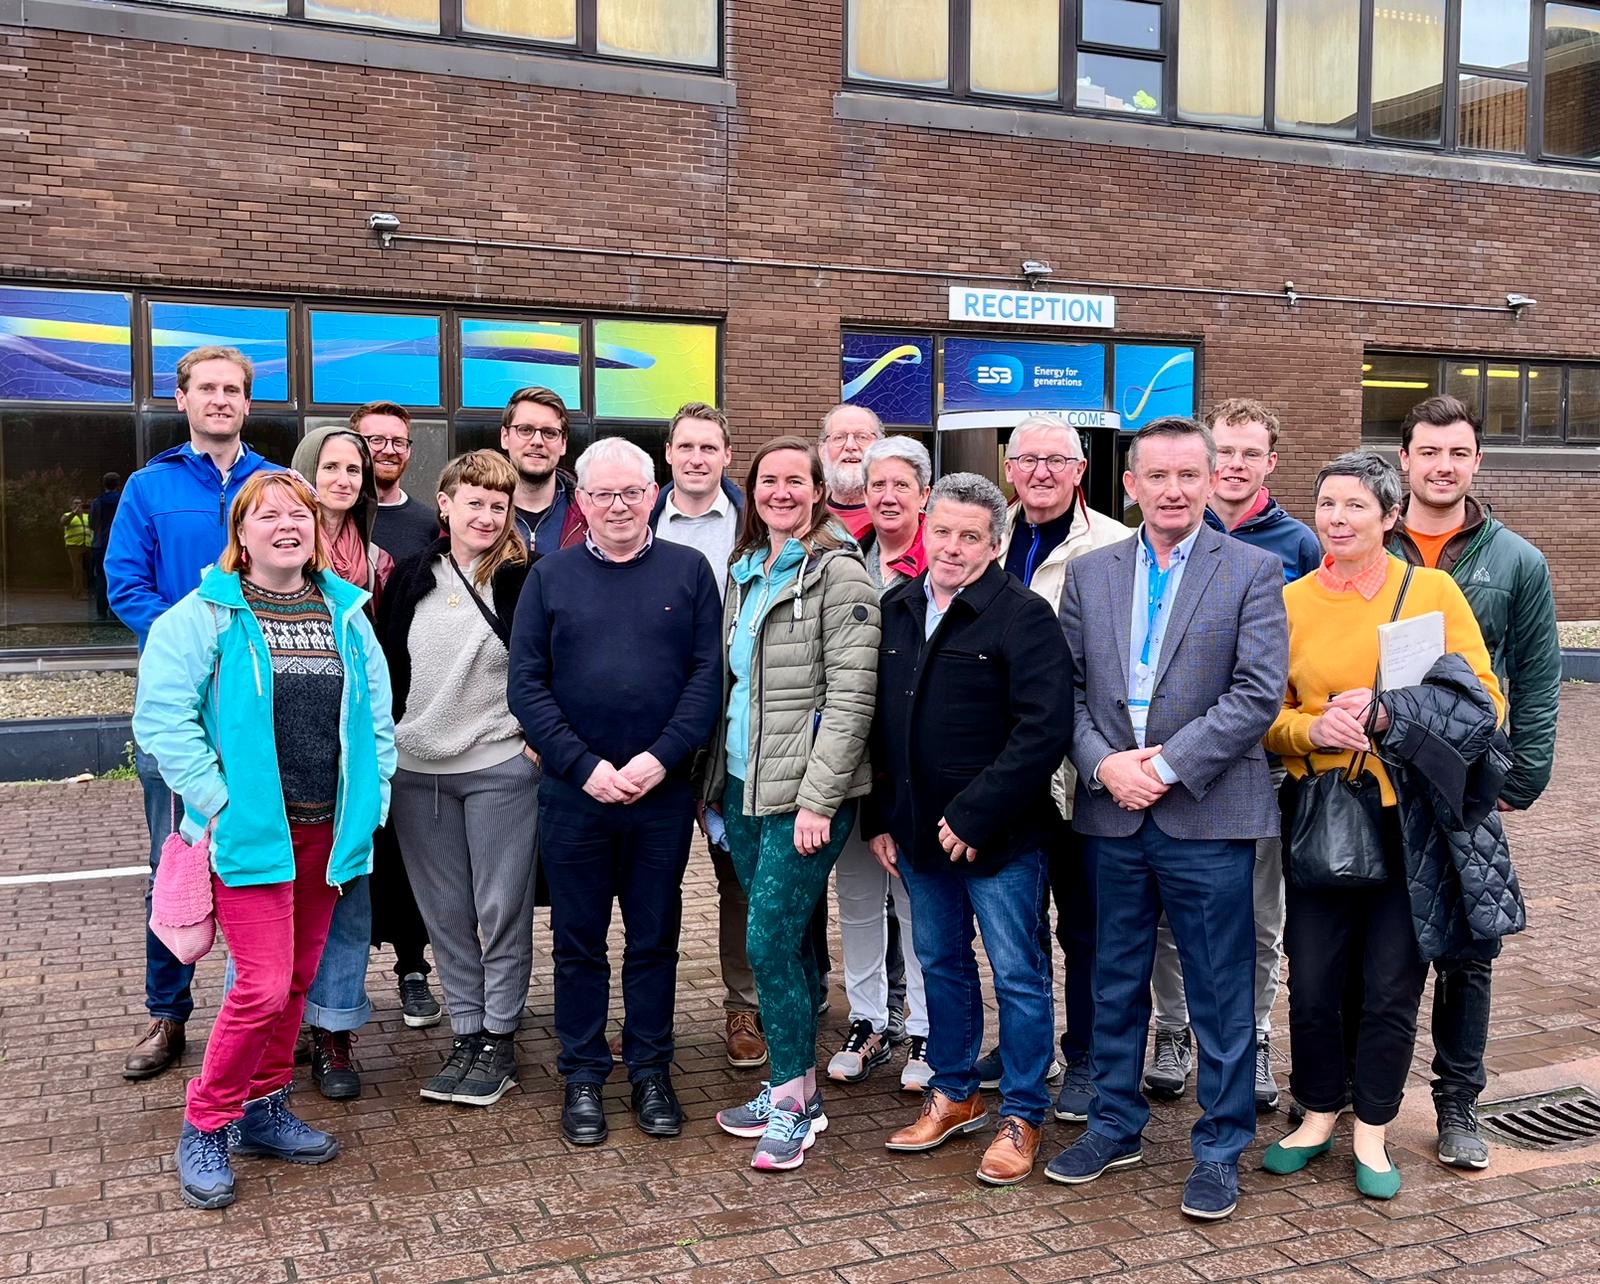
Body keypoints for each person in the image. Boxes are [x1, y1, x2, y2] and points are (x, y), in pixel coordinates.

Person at [132, 470, 395, 1210]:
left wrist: (370, 799)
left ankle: (264, 1107)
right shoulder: (203, 615)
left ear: (316, 533)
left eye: (300, 515)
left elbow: (376, 715)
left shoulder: (346, 613)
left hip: (325, 835)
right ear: (240, 536)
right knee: (261, 985)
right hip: (251, 837)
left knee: (299, 983)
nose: (288, 524)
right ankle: (207, 1121)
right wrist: (220, 802)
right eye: (268, 514)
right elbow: (161, 720)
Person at [1050, 417, 1287, 1223]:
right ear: (1131, 484)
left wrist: (1166, 764)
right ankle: (1115, 1124)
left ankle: (1219, 1147)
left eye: (1190, 474)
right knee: (1113, 982)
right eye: (1159, 476)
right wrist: (1103, 764)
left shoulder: (1252, 569)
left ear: (1214, 477)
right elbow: (1068, 692)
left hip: (1207, 811)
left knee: (1221, 992)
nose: (1175, 490)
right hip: (1111, 808)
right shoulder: (1093, 573)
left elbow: (1257, 694)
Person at [1262, 450, 1504, 1201]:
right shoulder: (1291, 599)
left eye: (1356, 506)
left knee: (1392, 984)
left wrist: (1389, 715)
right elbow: (1260, 715)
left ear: (1390, 517)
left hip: (1412, 825)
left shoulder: (1427, 591)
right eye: (1327, 504)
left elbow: (1483, 704)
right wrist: (1313, 730)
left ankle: (1373, 1127)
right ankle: (1316, 1115)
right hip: (1320, 818)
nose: (1337, 519)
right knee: (1313, 981)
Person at [510, 436, 722, 1146]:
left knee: (655, 939)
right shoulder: (549, 577)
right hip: (575, 797)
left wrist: (660, 761)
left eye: (632, 492)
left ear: (654, 493)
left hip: (658, 798)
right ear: (583, 502)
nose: (619, 506)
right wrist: (583, 766)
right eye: (602, 494)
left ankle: (652, 1070)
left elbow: (705, 680)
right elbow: (526, 685)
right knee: (576, 943)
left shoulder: (690, 572)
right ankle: (582, 1074)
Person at [871, 473, 1073, 1185]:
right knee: (942, 962)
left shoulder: (1022, 617)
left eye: (970, 537)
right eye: (944, 532)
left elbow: (1043, 730)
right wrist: (879, 817)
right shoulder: (897, 606)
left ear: (994, 544)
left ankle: (1021, 1114)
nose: (952, 548)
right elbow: (880, 724)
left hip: (1001, 839)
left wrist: (976, 814)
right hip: (919, 836)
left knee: (1018, 974)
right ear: (926, 528)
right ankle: (953, 1092)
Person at [1390, 395, 1560, 1170]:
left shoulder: (1515, 562)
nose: (1442, 466)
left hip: (1464, 782)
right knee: (1370, 942)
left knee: (1470, 947)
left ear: (1476, 462)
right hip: (1377, 779)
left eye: (1457, 454)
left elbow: (1538, 678)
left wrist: (1518, 780)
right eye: (1429, 452)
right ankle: (1355, 1093)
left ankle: (1459, 1102)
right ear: (1405, 460)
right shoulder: (1366, 539)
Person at [106, 344, 282, 1081]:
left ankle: (266, 1009)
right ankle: (166, 1014)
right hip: (180, 706)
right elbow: (125, 585)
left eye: (232, 389)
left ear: (247, 402)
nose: (220, 399)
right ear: (181, 399)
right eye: (206, 388)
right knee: (176, 859)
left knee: (264, 857)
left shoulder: (277, 483)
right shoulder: (149, 488)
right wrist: (195, 638)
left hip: (262, 704)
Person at [706, 436, 880, 1170]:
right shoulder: (745, 571)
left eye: (795, 481)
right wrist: (713, 785)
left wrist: (819, 800)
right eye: (767, 480)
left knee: (768, 942)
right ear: (752, 491)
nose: (780, 492)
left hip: (807, 797)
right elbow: (731, 689)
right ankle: (799, 1088)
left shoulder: (839, 576)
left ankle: (788, 1107)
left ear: (817, 491)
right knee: (788, 942)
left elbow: (851, 701)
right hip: (744, 787)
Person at [1146, 398, 1321, 1112]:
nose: (1236, 466)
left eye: (1252, 454)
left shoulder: (1300, 546)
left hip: (1261, 763)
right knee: (1164, 914)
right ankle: (1173, 1031)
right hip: (1168, 760)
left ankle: (1252, 1037)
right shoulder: (1169, 530)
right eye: (1227, 452)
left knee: (1257, 912)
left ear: (1270, 462)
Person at [377, 450, 538, 1108]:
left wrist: (535, 745)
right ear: (444, 504)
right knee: (445, 913)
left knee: (500, 910)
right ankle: (466, 1031)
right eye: (474, 501)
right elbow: (385, 666)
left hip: (498, 767)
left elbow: (547, 666)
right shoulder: (411, 575)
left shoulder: (526, 580)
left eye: (498, 505)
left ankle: (499, 1034)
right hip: (419, 772)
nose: (486, 514)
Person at [991, 413, 1127, 1122]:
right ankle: (1026, 1046)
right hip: (1007, 774)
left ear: (1080, 471)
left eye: (1056, 459)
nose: (1040, 471)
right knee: (1017, 924)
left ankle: (1089, 1057)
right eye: (1026, 459)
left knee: (1085, 926)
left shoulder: (1114, 545)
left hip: (1080, 773)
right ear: (1007, 468)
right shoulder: (986, 538)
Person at [647, 402, 765, 1071]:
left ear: (726, 455)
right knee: (650, 877)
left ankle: (743, 1007)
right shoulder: (640, 512)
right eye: (685, 445)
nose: (696, 458)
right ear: (668, 453)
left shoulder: (754, 521)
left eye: (709, 447)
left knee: (740, 876)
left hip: (733, 725)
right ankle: (648, 1010)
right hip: (654, 729)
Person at [280, 426, 396, 1099]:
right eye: (332, 466)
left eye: (355, 468)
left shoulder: (375, 561)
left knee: (346, 898)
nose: (345, 478)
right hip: (280, 748)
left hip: (349, 750)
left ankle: (334, 1034)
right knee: (277, 898)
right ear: (305, 471)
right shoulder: (274, 543)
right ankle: (281, 1019)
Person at [828, 435, 932, 1091]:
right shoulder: (845, 560)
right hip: (848, 764)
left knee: (916, 904)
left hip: (914, 769)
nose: (888, 496)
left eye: (901, 485)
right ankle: (869, 1023)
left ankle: (926, 1029)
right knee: (859, 900)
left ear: (924, 493)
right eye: (877, 486)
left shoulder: (941, 564)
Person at [349, 401, 443, 1032]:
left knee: (408, 850)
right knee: (356, 854)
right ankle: (338, 987)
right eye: (372, 441)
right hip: (342, 711)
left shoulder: (426, 523)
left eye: (397, 441)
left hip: (409, 710)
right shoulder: (327, 522)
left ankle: (414, 969)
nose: (386, 449)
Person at [501, 385, 587, 555]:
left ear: (563, 443)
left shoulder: (590, 513)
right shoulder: (471, 513)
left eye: (549, 433)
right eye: (525, 430)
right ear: (505, 437)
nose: (537, 441)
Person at [353, 401, 440, 565]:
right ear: (355, 446)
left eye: (398, 442)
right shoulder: (338, 516)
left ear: (408, 450)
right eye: (376, 440)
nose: (389, 450)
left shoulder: (430, 524)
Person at [819, 403, 884, 539]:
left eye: (862, 437)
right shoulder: (805, 513)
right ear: (822, 451)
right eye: (839, 437)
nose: (850, 446)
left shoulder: (904, 516)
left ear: (880, 449)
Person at [88, 472, 122, 622]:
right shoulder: (123, 499)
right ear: (118, 484)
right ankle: (117, 612)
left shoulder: (97, 502)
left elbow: (92, 523)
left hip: (100, 544)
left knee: (101, 577)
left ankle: (101, 611)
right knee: (119, 576)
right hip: (119, 544)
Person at [61, 498, 91, 598]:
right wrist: (74, 512)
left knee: (85, 570)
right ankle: (81, 592)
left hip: (87, 545)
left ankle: (77, 591)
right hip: (73, 546)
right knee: (77, 569)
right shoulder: (67, 515)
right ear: (71, 505)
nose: (78, 505)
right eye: (75, 503)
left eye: (79, 503)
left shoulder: (87, 516)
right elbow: (63, 522)